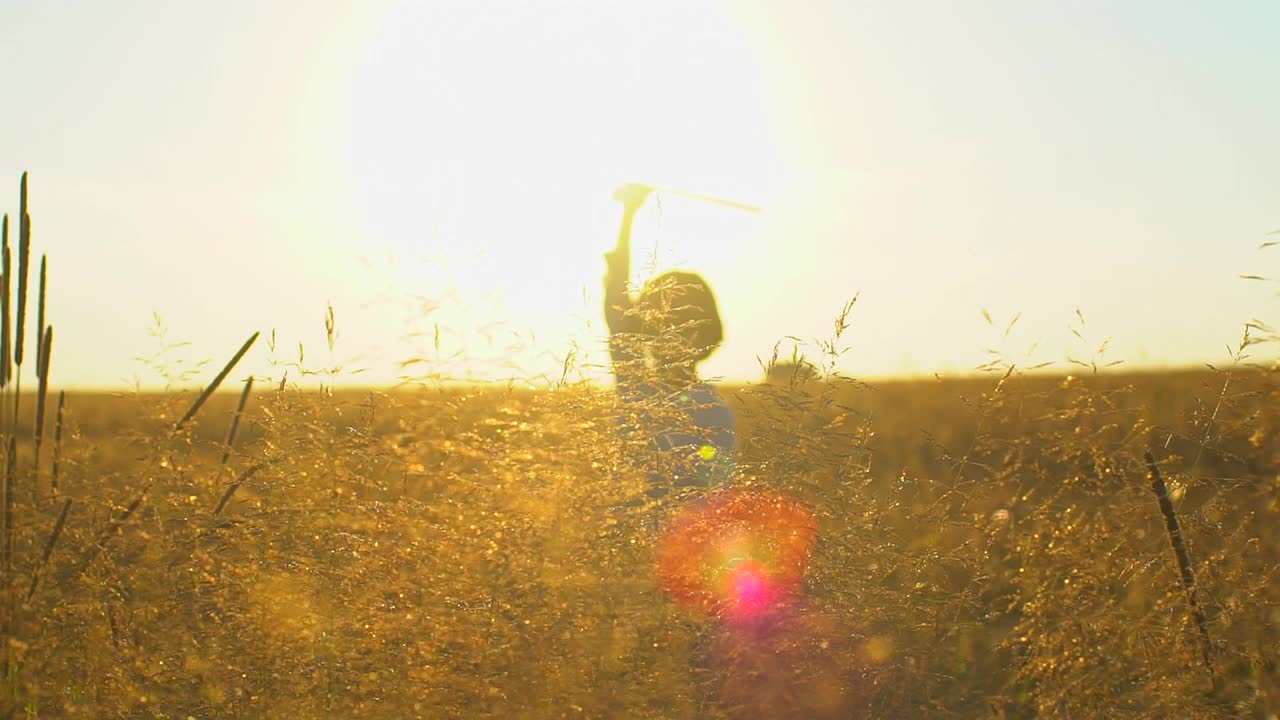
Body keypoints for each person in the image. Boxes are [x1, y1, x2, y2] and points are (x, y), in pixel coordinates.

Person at [603, 183, 736, 496]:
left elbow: (616, 299)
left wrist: (629, 213)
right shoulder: (714, 409)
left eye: (671, 324)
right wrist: (628, 214)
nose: (670, 335)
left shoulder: (636, 386)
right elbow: (617, 299)